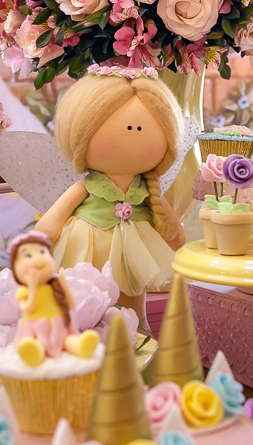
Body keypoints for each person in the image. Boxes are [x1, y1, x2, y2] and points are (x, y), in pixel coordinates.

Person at [34, 68, 186, 322]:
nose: (133, 130)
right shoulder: (87, 186)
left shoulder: (148, 190)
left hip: (135, 251)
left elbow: (176, 234)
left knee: (132, 298)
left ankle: (138, 332)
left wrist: (173, 231)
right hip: (88, 248)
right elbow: (49, 226)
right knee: (87, 300)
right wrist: (44, 236)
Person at [9, 231, 99, 367]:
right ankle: (34, 352)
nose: (38, 259)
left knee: (68, 340)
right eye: (28, 255)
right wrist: (32, 286)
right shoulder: (25, 290)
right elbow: (27, 308)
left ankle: (81, 345)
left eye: (42, 252)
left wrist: (63, 284)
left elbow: (71, 305)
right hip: (36, 329)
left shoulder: (54, 286)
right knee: (39, 343)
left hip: (59, 326)